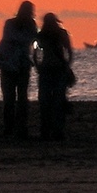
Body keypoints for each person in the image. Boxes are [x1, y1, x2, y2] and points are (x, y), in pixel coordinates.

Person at [0, 1, 36, 138]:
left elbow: (26, 39)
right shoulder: (12, 23)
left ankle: (18, 128)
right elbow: (21, 39)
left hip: (19, 64)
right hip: (10, 64)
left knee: (19, 98)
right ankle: (11, 128)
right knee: (11, 98)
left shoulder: (26, 24)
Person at [34, 11, 75, 140]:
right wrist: (67, 64)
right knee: (59, 100)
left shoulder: (41, 35)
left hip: (46, 68)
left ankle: (45, 130)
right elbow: (69, 51)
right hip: (58, 68)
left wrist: (37, 66)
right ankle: (58, 130)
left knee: (45, 101)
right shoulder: (62, 34)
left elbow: (35, 53)